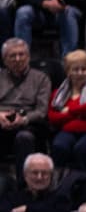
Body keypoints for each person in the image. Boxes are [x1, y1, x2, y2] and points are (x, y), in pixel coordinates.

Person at [47, 50, 86, 173]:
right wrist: (81, 113)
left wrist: (69, 111)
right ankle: (58, 183)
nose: (80, 73)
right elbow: (53, 117)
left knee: (81, 148)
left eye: (84, 69)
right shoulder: (59, 93)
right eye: (75, 69)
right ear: (68, 72)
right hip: (69, 131)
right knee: (59, 146)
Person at [0, 152, 69, 212]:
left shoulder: (60, 199)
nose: (39, 177)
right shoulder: (11, 198)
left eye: (44, 173)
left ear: (51, 176)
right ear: (25, 175)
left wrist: (26, 210)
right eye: (35, 172)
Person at [0, 38, 48, 169]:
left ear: (28, 57)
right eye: (12, 56)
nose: (17, 59)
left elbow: (41, 111)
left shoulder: (41, 78)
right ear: (4, 60)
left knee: (24, 137)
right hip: (2, 120)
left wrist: (23, 119)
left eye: (21, 54)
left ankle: (24, 185)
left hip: (28, 124)